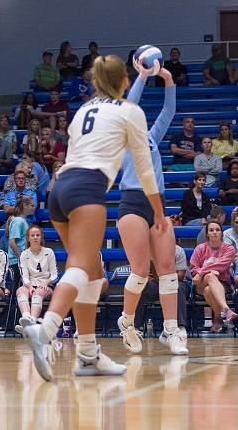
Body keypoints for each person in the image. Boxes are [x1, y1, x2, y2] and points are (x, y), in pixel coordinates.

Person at [20, 54, 167, 382]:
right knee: (80, 265)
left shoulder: (83, 110)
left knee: (91, 271)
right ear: (124, 83)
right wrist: (158, 211)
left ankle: (87, 355)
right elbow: (144, 168)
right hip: (87, 189)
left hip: (59, 190)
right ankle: (46, 329)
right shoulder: (131, 111)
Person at [115, 66, 188, 356]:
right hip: (131, 202)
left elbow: (169, 110)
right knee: (142, 271)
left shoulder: (152, 138)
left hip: (158, 205)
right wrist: (143, 75)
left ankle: (171, 330)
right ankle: (127, 322)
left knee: (168, 269)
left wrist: (168, 79)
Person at [191, 222, 238, 332]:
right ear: (207, 233)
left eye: (217, 230)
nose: (214, 232)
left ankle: (217, 319)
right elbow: (193, 268)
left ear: (222, 233)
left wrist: (201, 272)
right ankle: (225, 309)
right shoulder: (200, 248)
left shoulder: (229, 249)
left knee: (209, 288)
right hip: (201, 283)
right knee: (210, 276)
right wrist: (204, 273)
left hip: (222, 283)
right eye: (211, 230)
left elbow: (221, 265)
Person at [134, 245, 190, 335]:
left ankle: (180, 326)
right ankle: (135, 326)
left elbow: (181, 275)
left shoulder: (178, 250)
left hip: (175, 281)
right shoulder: (147, 250)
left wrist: (164, 277)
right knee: (139, 286)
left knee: (178, 287)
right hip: (156, 283)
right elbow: (141, 272)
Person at [15, 226, 58, 326]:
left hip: (46, 286)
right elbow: (24, 276)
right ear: (28, 238)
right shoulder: (24, 254)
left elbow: (55, 274)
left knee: (38, 292)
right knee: (20, 291)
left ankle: (32, 321)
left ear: (41, 237)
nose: (35, 238)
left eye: (37, 235)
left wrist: (46, 282)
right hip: (30, 284)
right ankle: (26, 318)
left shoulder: (49, 252)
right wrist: (29, 287)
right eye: (32, 235)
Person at [6, 196, 34, 279]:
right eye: (32, 205)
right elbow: (12, 242)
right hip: (16, 261)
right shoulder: (18, 221)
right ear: (25, 205)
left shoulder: (22, 220)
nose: (33, 208)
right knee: (17, 286)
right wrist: (21, 257)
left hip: (20, 260)